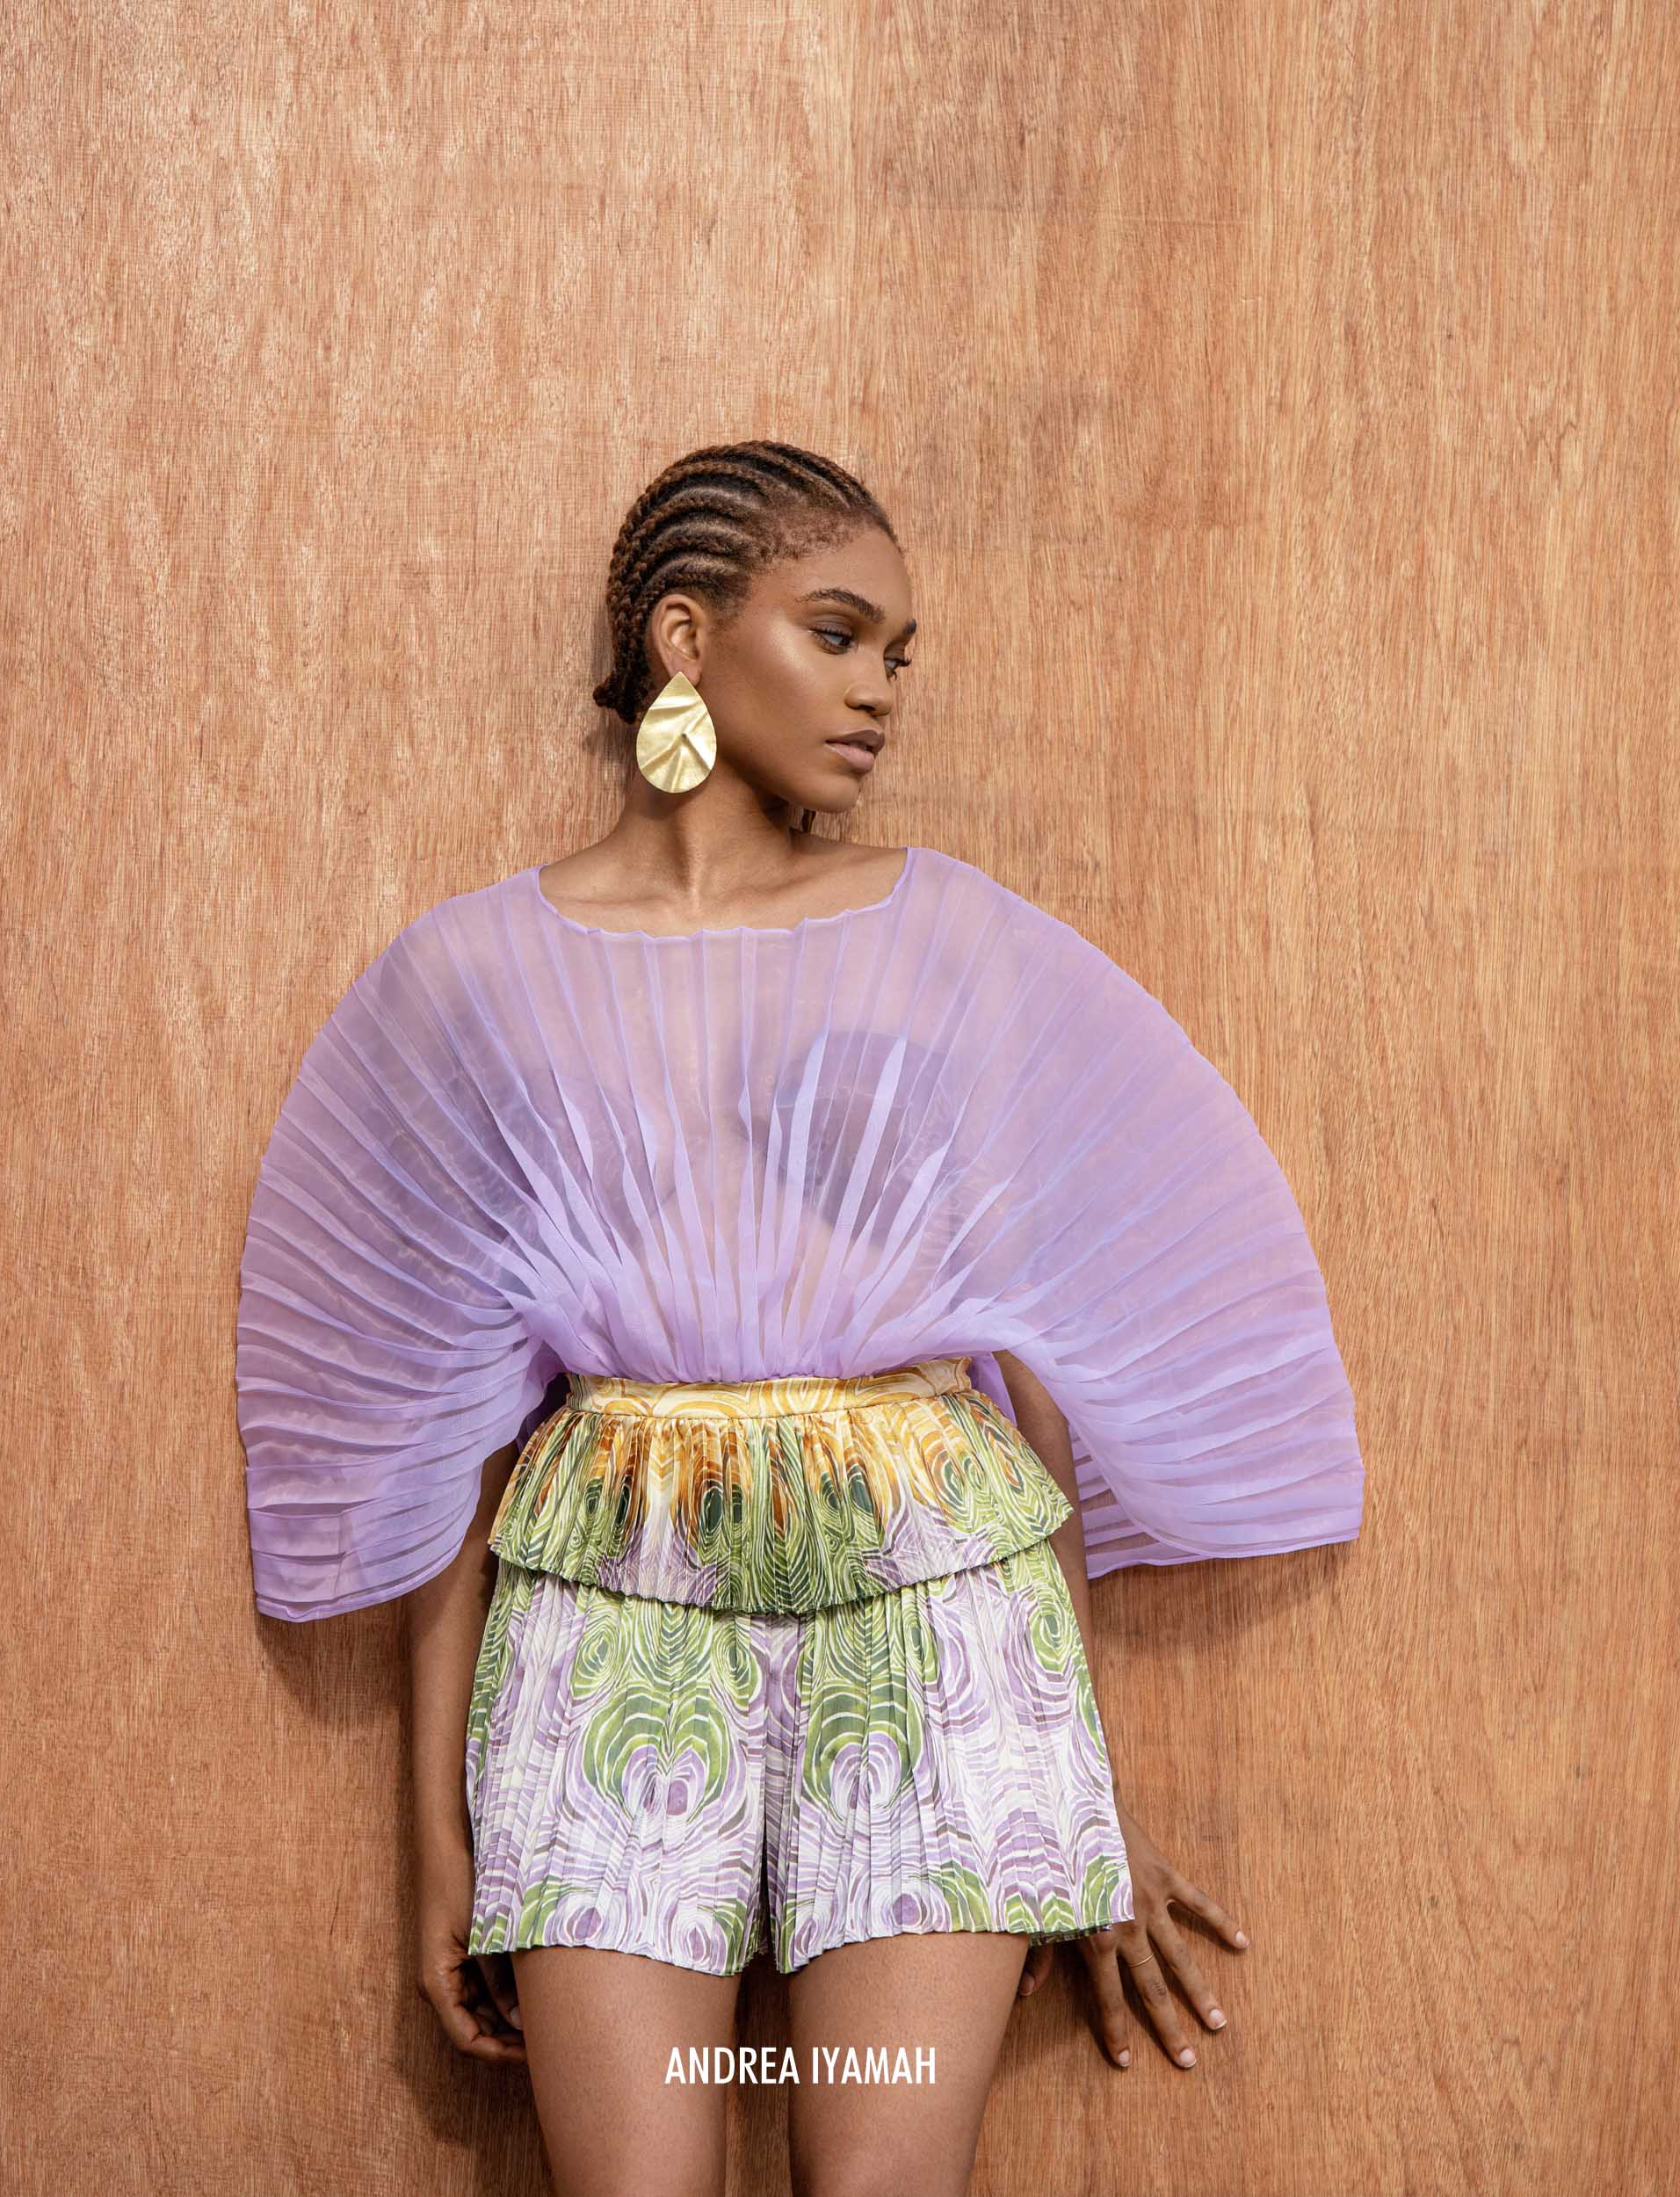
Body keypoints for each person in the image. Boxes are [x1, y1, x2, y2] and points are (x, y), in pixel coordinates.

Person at [235, 439, 1365, 2197]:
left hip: (935, 1619)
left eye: (896, 654)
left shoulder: (947, 940)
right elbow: (447, 1439)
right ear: (686, 637)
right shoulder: (470, 978)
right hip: (609, 1617)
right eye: (837, 634)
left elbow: (1028, 1362)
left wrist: (1082, 1794)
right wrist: (437, 1842)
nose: (878, 689)